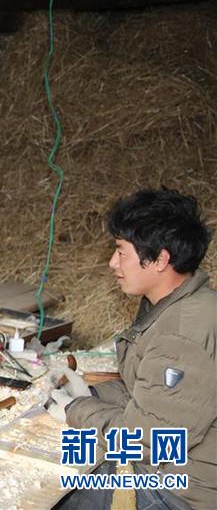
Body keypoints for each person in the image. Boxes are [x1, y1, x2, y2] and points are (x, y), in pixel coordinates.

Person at [49, 188, 216, 510]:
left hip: (178, 491)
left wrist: (76, 410)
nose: (113, 263)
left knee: (56, 493)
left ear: (160, 260)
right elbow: (152, 392)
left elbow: (147, 441)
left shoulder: (182, 334)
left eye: (121, 252)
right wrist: (92, 394)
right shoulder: (177, 305)